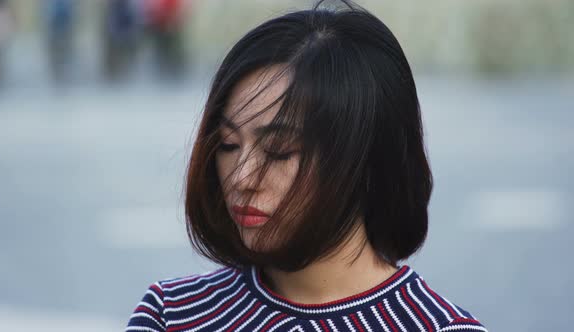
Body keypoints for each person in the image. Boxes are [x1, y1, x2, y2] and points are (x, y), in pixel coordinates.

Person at [126, 1, 487, 331]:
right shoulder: (173, 314)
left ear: (365, 158)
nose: (243, 176)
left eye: (279, 150)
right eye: (228, 144)